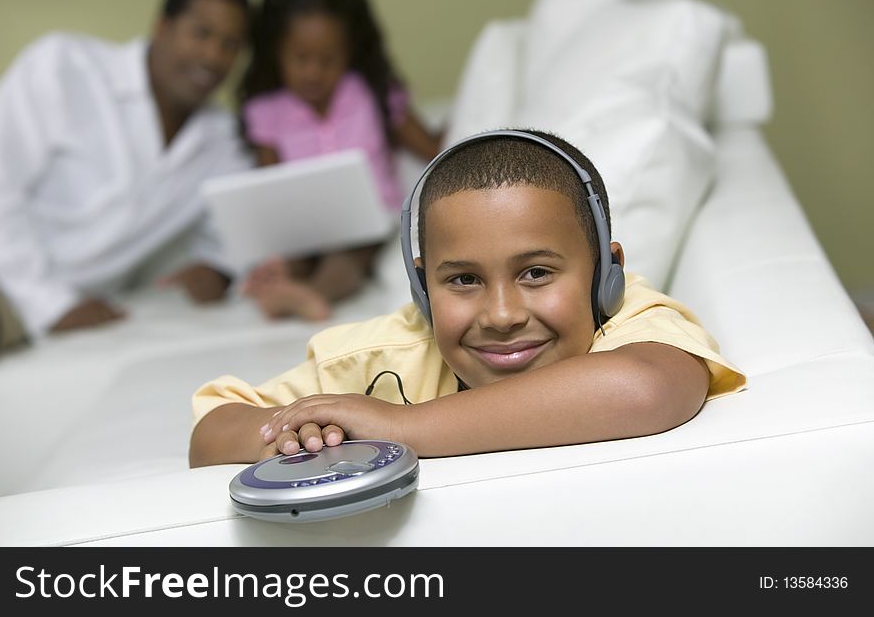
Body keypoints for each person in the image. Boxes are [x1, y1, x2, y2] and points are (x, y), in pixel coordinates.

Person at [189, 129, 746, 466]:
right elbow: (212, 429)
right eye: (462, 281)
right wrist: (296, 435)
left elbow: (644, 388)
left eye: (535, 273)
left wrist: (400, 427)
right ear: (422, 291)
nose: (502, 315)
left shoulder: (630, 321)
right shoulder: (387, 352)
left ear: (607, 273)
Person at [0, 0, 253, 354]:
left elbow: (237, 232)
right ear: (162, 27)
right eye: (201, 33)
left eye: (230, 45)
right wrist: (51, 306)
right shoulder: (62, 66)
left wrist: (217, 269)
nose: (213, 56)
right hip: (5, 285)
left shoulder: (224, 141)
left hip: (76, 315)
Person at [236, 0, 442, 322]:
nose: (313, 72)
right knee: (290, 257)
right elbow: (269, 188)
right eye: (301, 59)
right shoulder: (266, 111)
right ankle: (278, 283)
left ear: (348, 54)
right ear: (278, 54)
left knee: (347, 259)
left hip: (369, 224)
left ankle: (312, 295)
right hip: (303, 229)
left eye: (327, 60)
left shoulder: (372, 92)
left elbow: (432, 149)